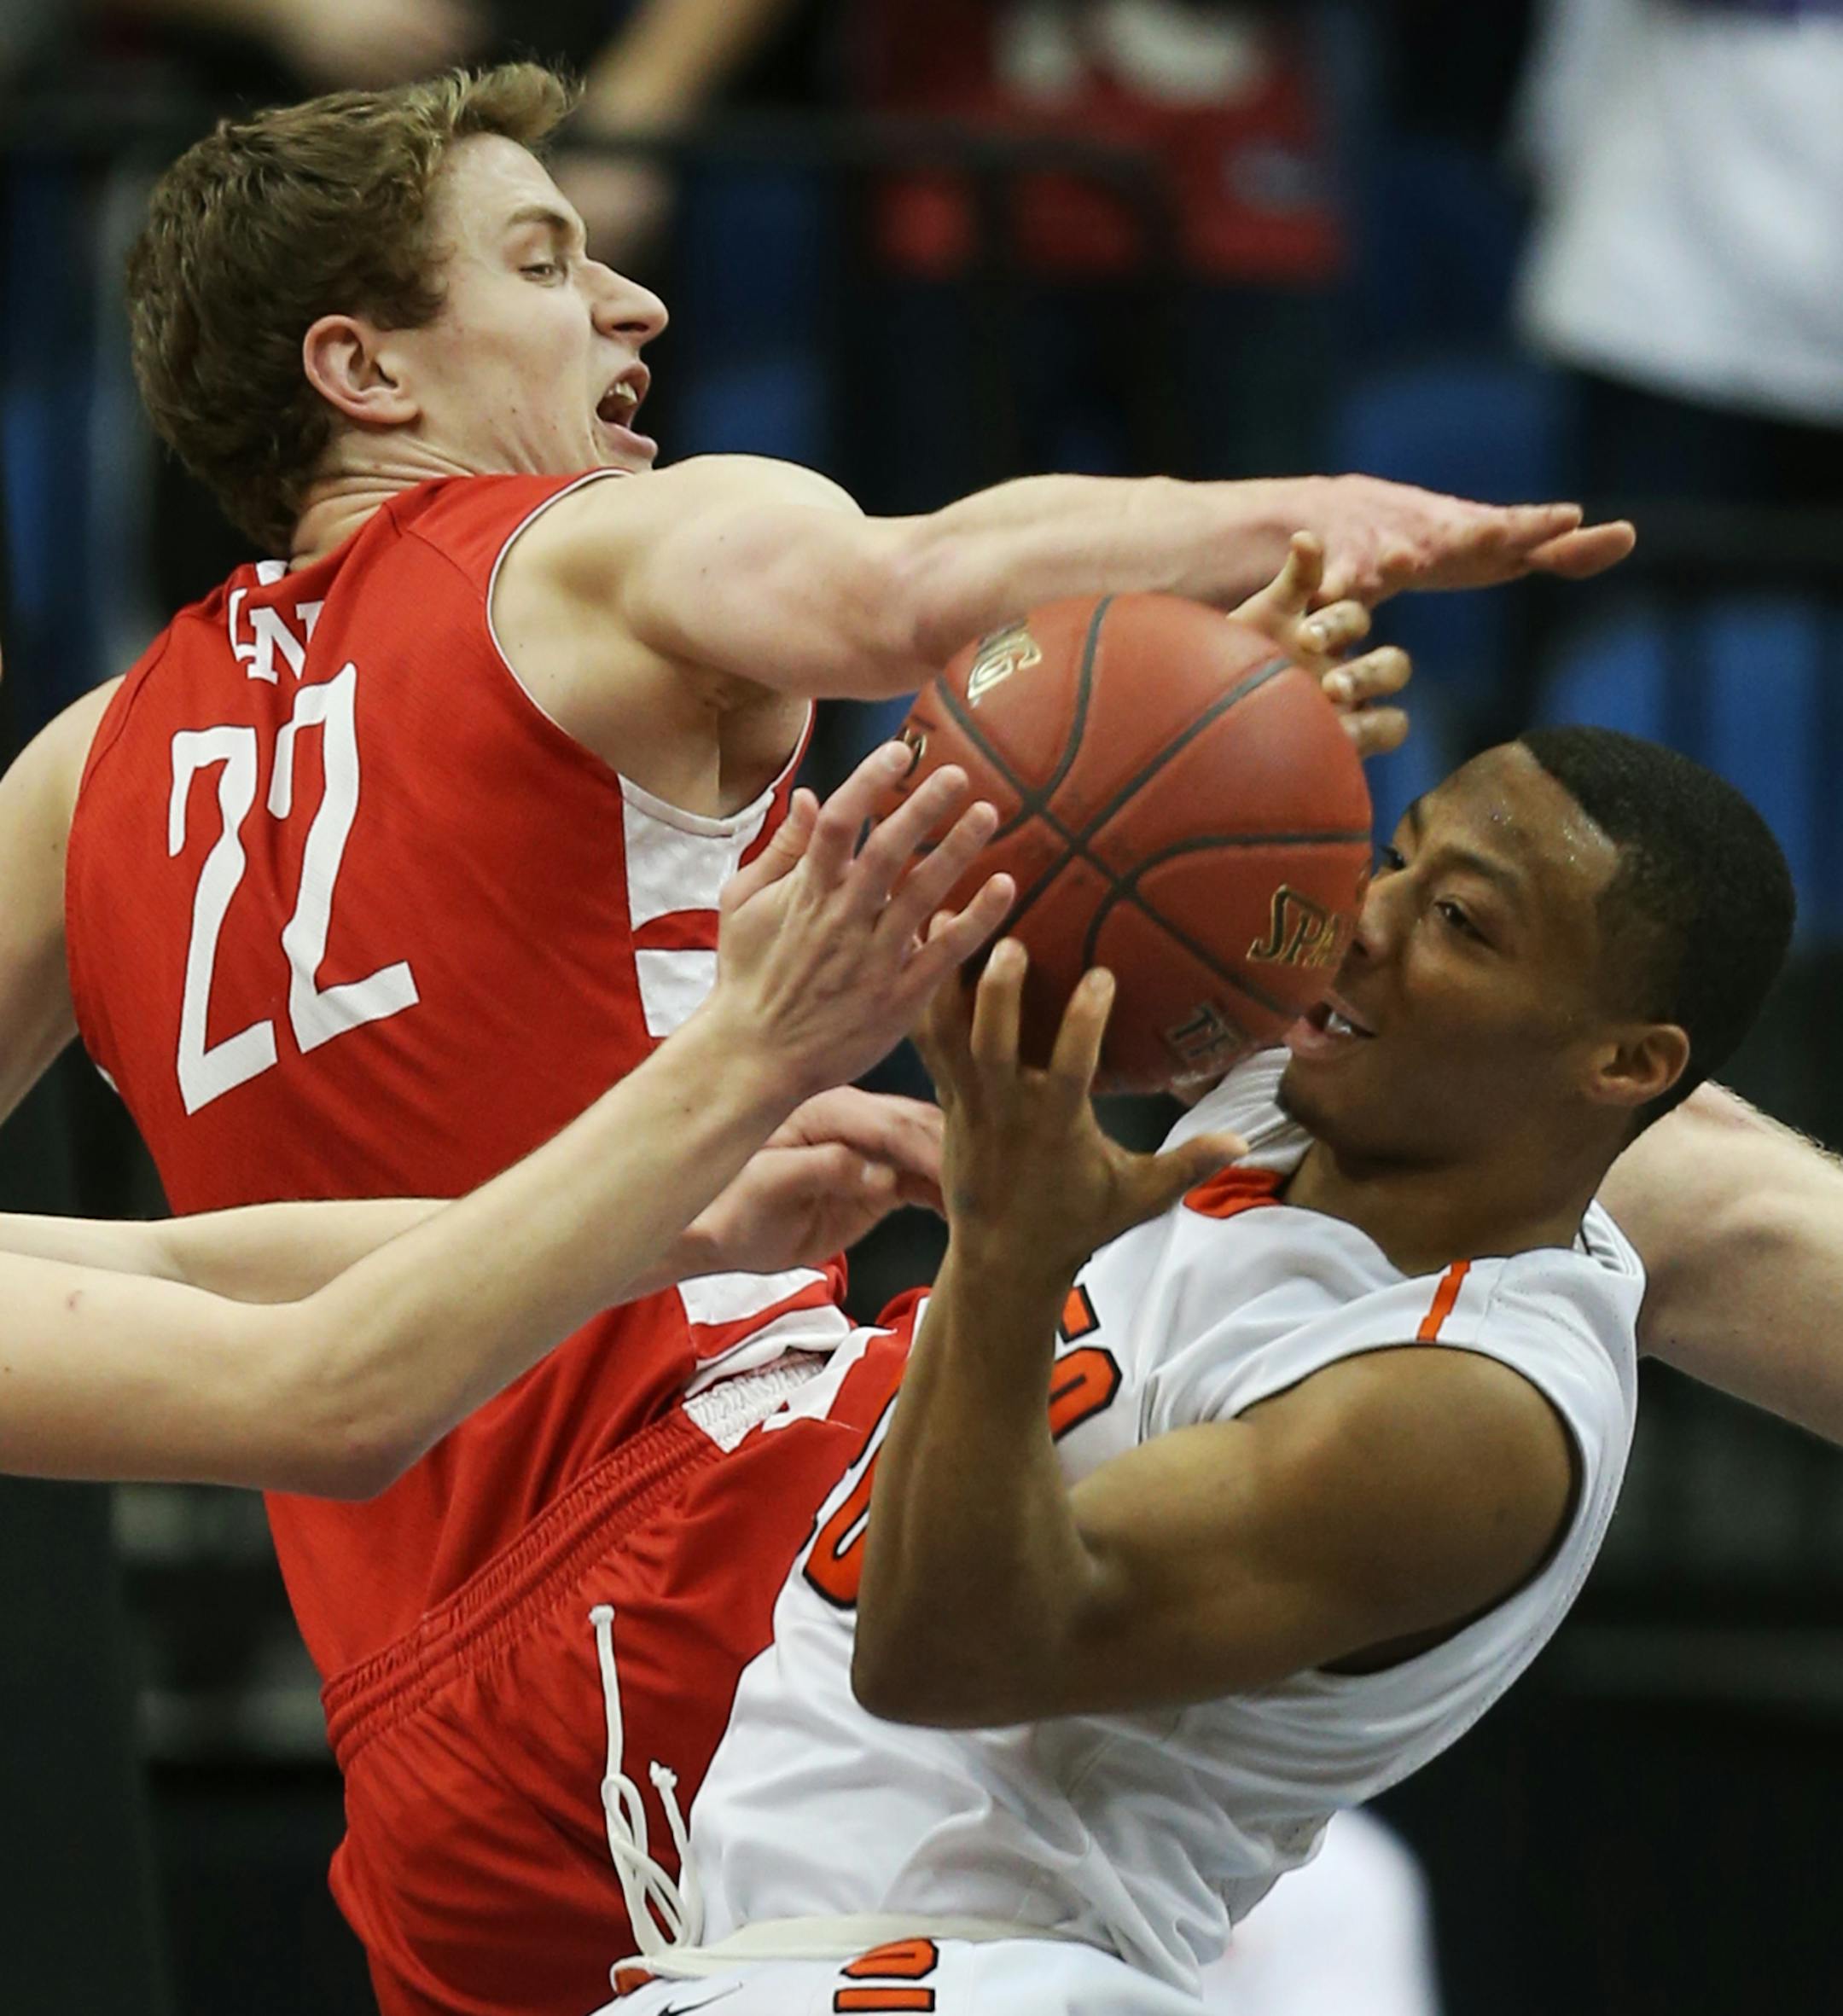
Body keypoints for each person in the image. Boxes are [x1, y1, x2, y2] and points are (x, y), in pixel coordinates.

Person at [0, 55, 1641, 2016]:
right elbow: (918, 584)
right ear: (365, 372)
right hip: (724, 1533)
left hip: (415, 1747)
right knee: (1521, 1202)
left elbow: (231, 1289)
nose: (637, 305)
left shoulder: (79, 776)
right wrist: (1306, 518)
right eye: (546, 262)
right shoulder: (585, 555)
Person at [567, 725, 1795, 2013]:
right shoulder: (1310, 1089)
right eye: (1391, 858)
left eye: (1460, 923)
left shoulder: (1462, 1404)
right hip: (802, 1947)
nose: (1358, 922)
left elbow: (942, 1656)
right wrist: (1224, 721)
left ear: (1628, 1063)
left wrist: (1004, 1259)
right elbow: (1105, 844)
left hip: (984, 1973)